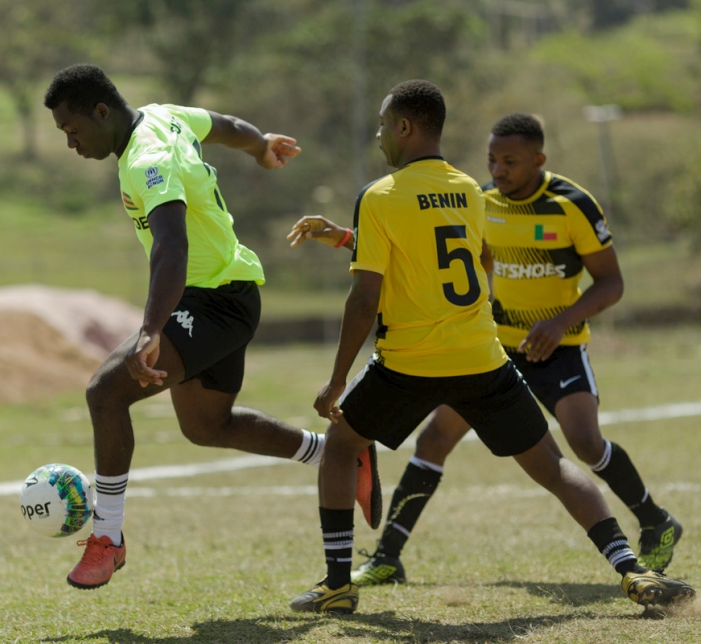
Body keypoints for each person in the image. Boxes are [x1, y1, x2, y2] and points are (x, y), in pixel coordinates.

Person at [285, 80, 694, 615]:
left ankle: (339, 584)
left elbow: (365, 298)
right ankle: (631, 570)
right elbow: (475, 259)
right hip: (484, 356)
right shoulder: (470, 193)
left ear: (406, 127)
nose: (381, 134)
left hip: (410, 363)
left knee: (340, 446)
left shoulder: (381, 194)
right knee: (552, 463)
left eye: (385, 124)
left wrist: (338, 379)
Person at [41, 63, 380, 590]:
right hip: (228, 292)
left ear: (101, 112)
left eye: (72, 129)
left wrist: (151, 330)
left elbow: (171, 246)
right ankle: (336, 452)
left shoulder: (147, 159)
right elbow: (221, 124)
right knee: (206, 427)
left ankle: (108, 538)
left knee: (106, 393)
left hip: (213, 301)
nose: (71, 143)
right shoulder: (164, 116)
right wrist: (261, 143)